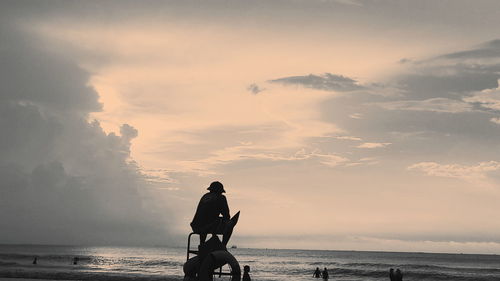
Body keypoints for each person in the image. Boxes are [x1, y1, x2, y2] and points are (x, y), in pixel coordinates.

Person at [190, 181, 231, 245]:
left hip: (195, 226)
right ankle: (223, 246)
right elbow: (226, 215)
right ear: (220, 191)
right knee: (230, 224)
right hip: (208, 227)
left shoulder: (205, 196)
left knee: (206, 221)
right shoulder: (221, 197)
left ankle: (202, 244)